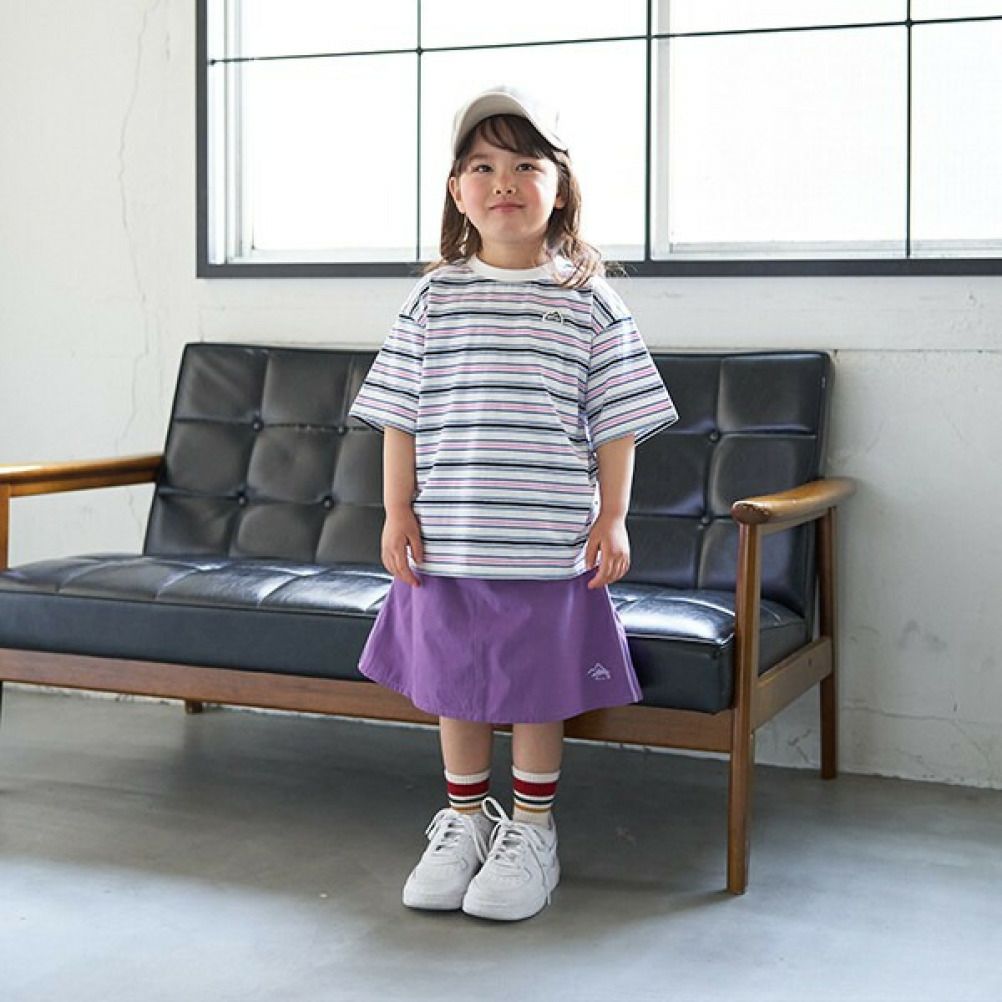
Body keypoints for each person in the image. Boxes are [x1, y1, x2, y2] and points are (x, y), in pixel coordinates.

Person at [347, 84, 679, 922]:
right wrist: (396, 511)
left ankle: (532, 831)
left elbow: (618, 423)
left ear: (559, 189)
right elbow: (398, 417)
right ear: (457, 192)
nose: (504, 182)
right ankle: (463, 823)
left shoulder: (589, 301)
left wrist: (612, 518)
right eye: (482, 166)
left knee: (535, 691)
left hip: (547, 544)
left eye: (526, 165)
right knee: (455, 686)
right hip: (448, 543)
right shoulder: (432, 298)